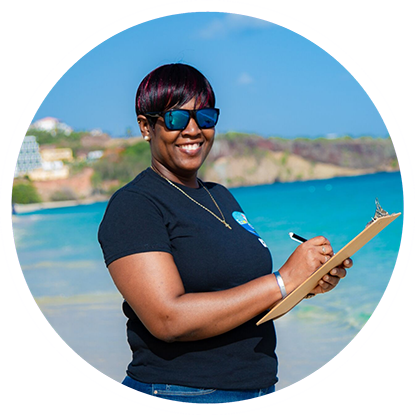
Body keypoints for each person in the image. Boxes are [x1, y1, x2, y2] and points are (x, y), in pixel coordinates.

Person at [98, 63, 353, 404]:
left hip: (258, 390)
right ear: (146, 126)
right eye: (176, 118)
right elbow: (168, 319)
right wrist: (282, 281)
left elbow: (242, 301)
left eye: (204, 117)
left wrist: (306, 283)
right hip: (181, 393)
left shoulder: (220, 196)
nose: (193, 130)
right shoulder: (135, 205)